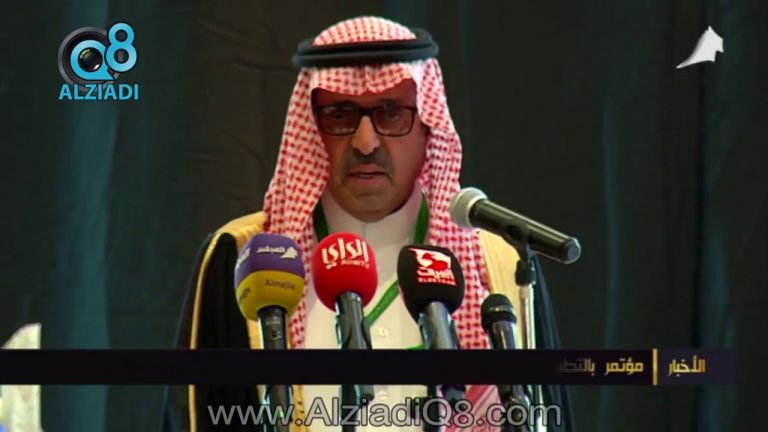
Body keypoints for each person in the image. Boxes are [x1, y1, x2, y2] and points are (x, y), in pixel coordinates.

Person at [165, 16, 571, 432]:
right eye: (340, 114)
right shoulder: (246, 256)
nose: (365, 142)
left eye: (391, 114)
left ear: (428, 125)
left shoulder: (498, 264)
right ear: (312, 127)